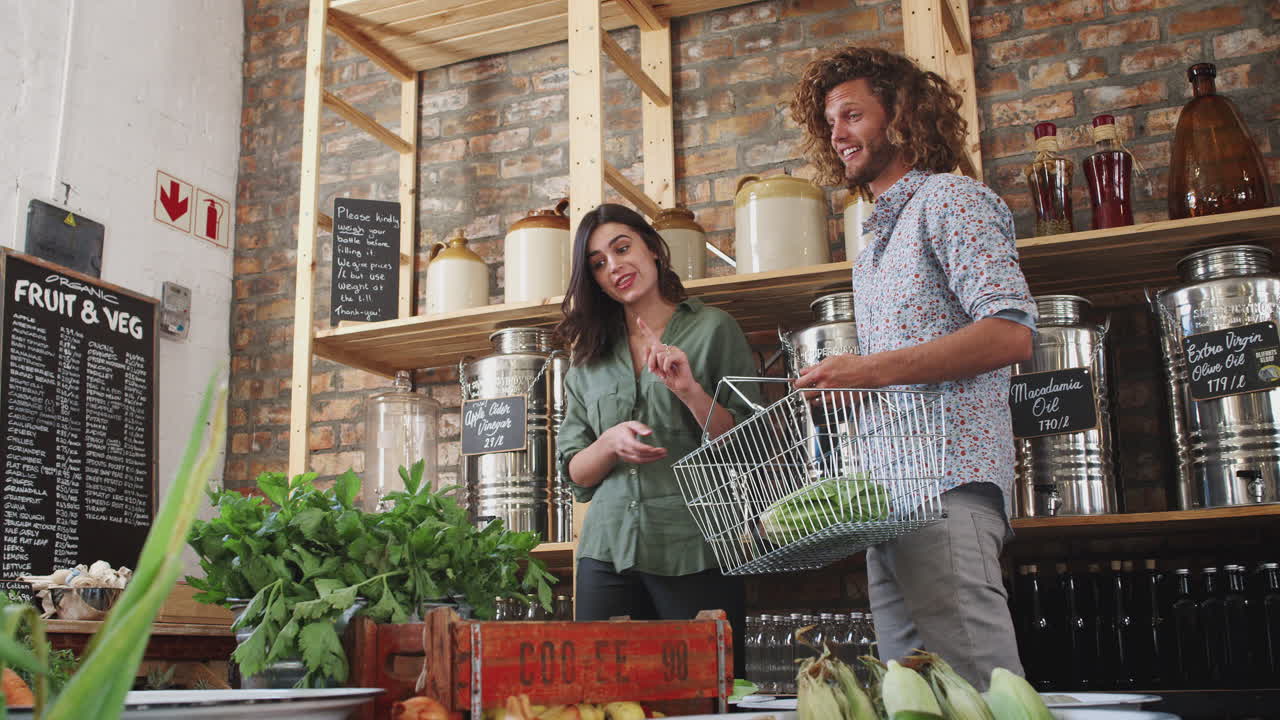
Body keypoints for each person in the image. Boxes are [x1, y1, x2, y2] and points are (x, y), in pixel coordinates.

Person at [788, 47, 1037, 688]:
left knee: (983, 692)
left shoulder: (951, 200)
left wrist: (869, 371)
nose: (838, 134)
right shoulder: (872, 243)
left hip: (947, 486)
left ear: (901, 114)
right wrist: (847, 394)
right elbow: (904, 369)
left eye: (853, 114)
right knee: (914, 696)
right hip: (890, 499)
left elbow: (1010, 334)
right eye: (830, 121)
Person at [554, 203, 758, 675]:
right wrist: (607, 443)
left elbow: (748, 445)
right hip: (605, 553)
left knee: (708, 696)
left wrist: (689, 392)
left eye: (622, 248)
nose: (614, 267)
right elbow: (575, 476)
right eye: (598, 264)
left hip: (694, 545)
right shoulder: (588, 357)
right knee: (604, 700)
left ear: (652, 247)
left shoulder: (712, 329)